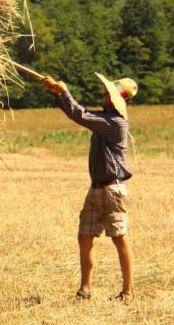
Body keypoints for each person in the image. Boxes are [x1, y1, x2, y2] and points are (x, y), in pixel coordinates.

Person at [42, 72, 138, 302]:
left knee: (119, 237)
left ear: (116, 99)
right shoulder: (106, 119)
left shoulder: (115, 123)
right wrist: (57, 93)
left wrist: (63, 91)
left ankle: (128, 292)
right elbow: (78, 114)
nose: (103, 94)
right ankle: (85, 290)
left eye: (108, 93)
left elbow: (80, 115)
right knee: (85, 236)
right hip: (96, 188)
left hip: (112, 190)